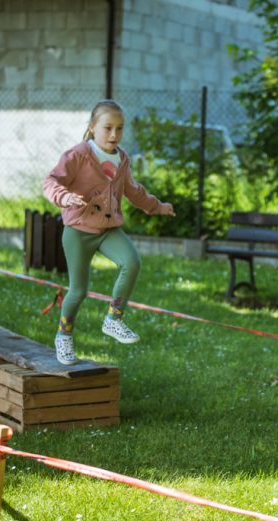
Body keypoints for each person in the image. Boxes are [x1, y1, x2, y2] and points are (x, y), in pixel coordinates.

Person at [43, 100, 176, 366]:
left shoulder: (122, 158)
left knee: (132, 262)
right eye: (108, 128)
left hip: (108, 229)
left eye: (119, 129)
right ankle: (63, 336)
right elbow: (51, 181)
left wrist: (157, 206)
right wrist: (64, 197)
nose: (114, 135)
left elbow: (133, 191)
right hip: (78, 231)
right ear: (92, 128)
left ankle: (113, 319)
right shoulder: (78, 154)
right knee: (78, 291)